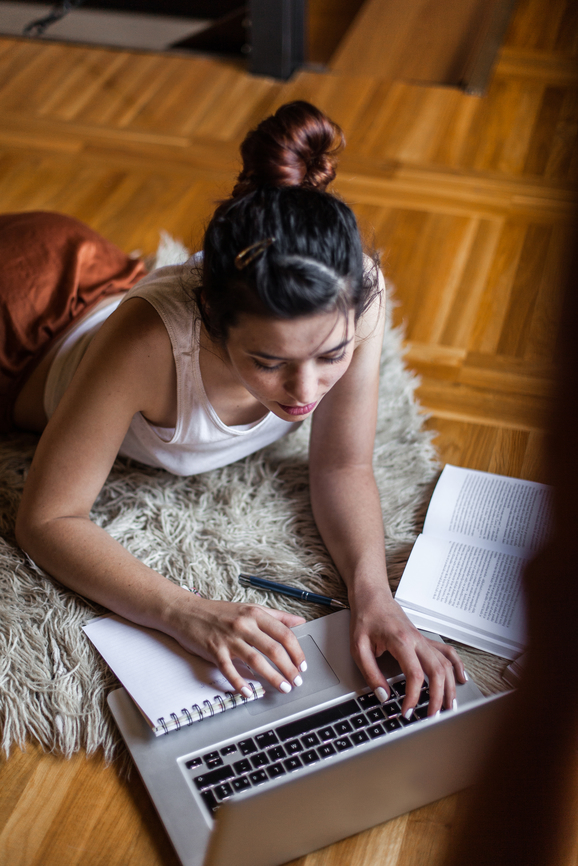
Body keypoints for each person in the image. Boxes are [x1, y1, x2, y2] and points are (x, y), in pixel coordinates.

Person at [7, 101, 466, 715]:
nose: (306, 392)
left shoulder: (359, 291)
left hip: (86, 269)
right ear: (212, 326)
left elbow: (341, 466)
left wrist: (374, 596)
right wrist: (188, 613)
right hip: (20, 326)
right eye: (269, 362)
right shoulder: (148, 340)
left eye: (331, 355)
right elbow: (48, 519)